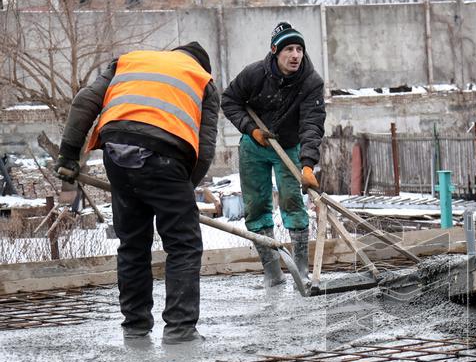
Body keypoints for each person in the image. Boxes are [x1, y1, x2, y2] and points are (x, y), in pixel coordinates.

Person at [55, 42, 219, 345]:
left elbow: (85, 100)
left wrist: (67, 154)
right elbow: (205, 148)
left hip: (117, 150)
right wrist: (184, 188)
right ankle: (180, 330)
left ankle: (135, 327)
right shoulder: (202, 79)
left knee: (132, 244)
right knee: (183, 245)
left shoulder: (129, 62)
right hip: (166, 155)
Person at [221, 21, 324, 288]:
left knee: (293, 203)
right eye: (289, 49)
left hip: (288, 148)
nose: (295, 55)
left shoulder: (310, 83)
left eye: (299, 49)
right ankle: (272, 272)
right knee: (256, 208)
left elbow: (312, 125)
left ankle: (300, 270)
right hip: (254, 147)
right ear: (275, 51)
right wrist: (250, 129)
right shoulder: (254, 74)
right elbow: (229, 101)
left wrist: (308, 165)